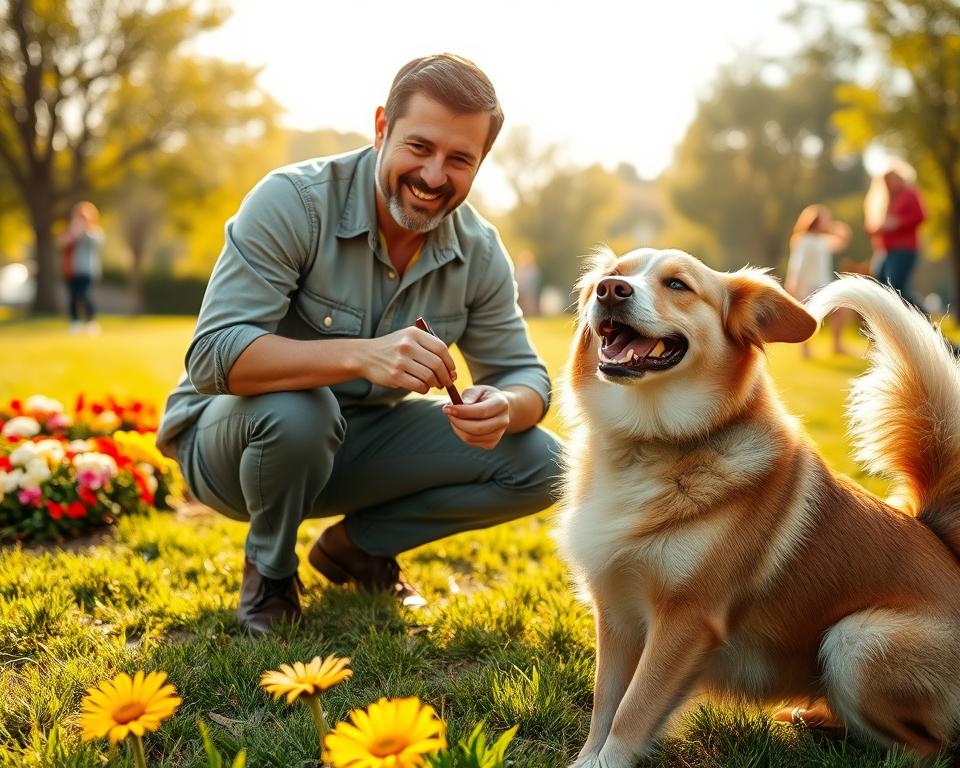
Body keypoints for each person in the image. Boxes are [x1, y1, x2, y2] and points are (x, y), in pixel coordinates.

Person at [155, 54, 561, 634]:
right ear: (381, 128)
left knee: (544, 463)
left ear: (480, 164)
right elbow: (213, 355)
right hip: (231, 444)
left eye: (459, 159)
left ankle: (355, 547)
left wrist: (507, 406)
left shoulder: (480, 250)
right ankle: (269, 572)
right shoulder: (293, 201)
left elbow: (526, 374)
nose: (433, 176)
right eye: (419, 147)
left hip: (353, 445)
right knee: (304, 407)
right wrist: (359, 353)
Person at [784, 204, 852, 358]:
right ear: (815, 221)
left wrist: (832, 227)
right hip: (806, 286)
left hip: (823, 284)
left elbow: (844, 238)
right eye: (825, 219)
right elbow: (796, 264)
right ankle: (806, 350)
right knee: (808, 319)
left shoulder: (823, 241)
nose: (827, 222)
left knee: (841, 310)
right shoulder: (802, 240)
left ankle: (837, 345)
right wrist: (792, 284)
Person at [864, 158, 926, 308]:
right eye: (887, 180)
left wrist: (898, 223)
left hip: (904, 248)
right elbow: (874, 226)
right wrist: (878, 228)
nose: (891, 183)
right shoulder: (884, 198)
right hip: (885, 250)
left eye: (893, 178)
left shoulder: (909, 193)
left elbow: (921, 216)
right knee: (880, 283)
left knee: (896, 287)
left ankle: (925, 319)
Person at [59, 201, 103, 334]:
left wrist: (83, 232)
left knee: (85, 296)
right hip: (71, 270)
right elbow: (61, 243)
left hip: (87, 271)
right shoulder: (71, 231)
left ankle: (90, 322)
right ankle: (74, 323)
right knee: (73, 297)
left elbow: (97, 243)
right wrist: (74, 233)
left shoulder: (94, 232)